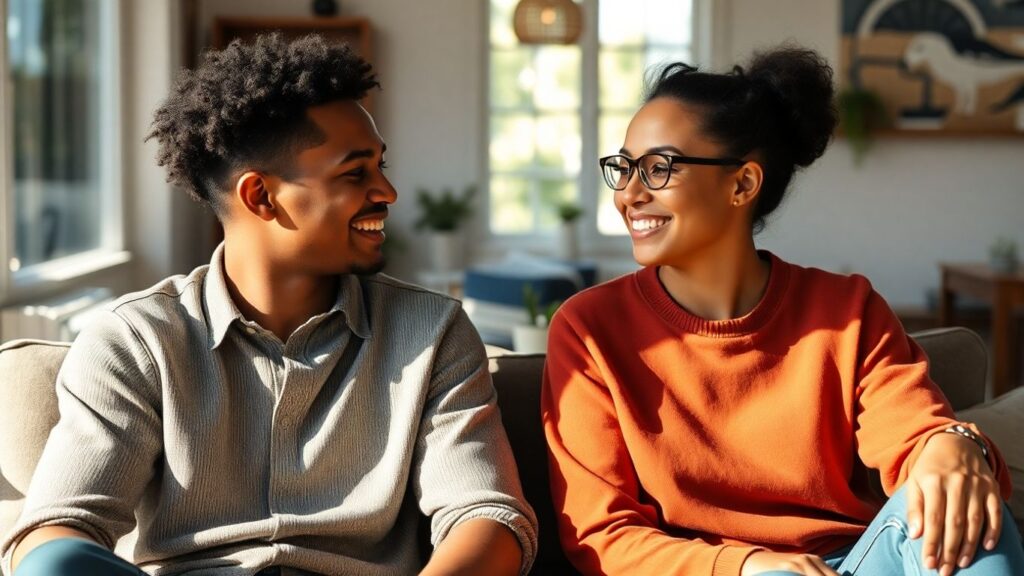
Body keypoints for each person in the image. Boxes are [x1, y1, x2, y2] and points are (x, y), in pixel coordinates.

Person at [2, 34, 537, 576]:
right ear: (260, 196)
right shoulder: (135, 341)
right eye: (356, 172)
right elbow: (57, 532)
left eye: (381, 165)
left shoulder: (432, 330)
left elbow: (484, 514)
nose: (388, 192)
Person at [541, 45, 1024, 576]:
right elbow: (600, 535)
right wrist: (749, 567)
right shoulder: (589, 330)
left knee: (966, 510)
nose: (628, 194)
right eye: (624, 168)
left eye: (659, 168)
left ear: (743, 184)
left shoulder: (848, 311)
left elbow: (913, 434)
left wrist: (951, 448)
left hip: (857, 564)